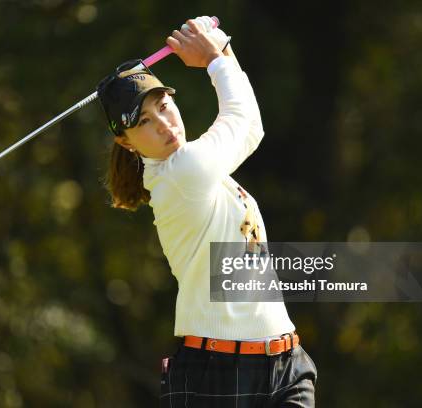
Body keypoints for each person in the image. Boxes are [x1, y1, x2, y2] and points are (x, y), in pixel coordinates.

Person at [96, 17, 318, 407]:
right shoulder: (182, 173)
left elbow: (248, 128)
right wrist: (215, 57)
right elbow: (243, 122)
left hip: (285, 365)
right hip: (217, 377)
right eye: (144, 121)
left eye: (164, 106)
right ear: (126, 142)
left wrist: (220, 48)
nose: (164, 124)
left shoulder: (193, 165)